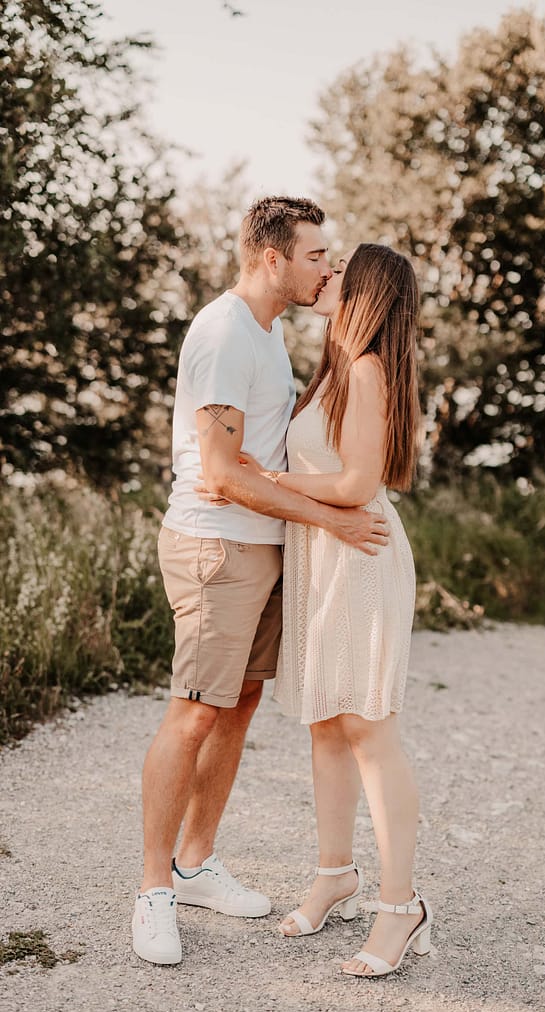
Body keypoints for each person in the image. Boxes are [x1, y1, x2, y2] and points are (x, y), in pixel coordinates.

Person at [132, 198, 389, 967]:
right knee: (193, 712)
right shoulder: (223, 334)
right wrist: (331, 518)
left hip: (263, 545)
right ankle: (152, 891)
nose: (327, 269)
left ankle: (195, 863)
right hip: (216, 549)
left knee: (237, 706)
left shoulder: (268, 332)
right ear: (272, 258)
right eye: (315, 256)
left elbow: (262, 459)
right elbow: (218, 472)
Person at [225, 243, 432, 978]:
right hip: (320, 553)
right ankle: (334, 875)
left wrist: (267, 479)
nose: (326, 273)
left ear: (365, 289)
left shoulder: (368, 369)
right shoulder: (334, 370)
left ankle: (400, 907)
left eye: (340, 267)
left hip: (360, 554)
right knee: (324, 724)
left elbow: (356, 485)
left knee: (368, 729)